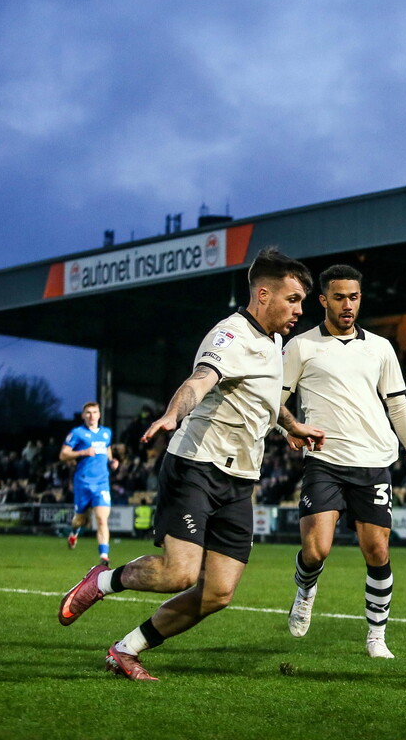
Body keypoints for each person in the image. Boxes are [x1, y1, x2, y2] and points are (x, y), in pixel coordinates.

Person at [57, 248, 325, 681]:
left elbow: (267, 400)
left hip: (240, 481)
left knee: (218, 593)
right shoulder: (230, 336)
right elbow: (199, 380)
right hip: (196, 466)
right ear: (263, 294)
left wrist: (292, 426)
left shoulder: (275, 342)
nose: (300, 309)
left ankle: (126, 650)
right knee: (178, 573)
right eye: (293, 299)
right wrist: (172, 414)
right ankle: (101, 582)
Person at [282, 264, 406, 659]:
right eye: (340, 297)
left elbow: (397, 404)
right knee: (316, 551)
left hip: (373, 460)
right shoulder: (300, 347)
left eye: (354, 297)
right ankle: (305, 589)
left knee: (377, 552)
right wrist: (289, 429)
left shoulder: (380, 347)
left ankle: (376, 636)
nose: (348, 305)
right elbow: (274, 402)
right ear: (323, 300)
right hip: (324, 460)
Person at [60, 402, 120, 564]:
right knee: (80, 519)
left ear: (99, 414)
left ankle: (104, 557)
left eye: (94, 412)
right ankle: (74, 532)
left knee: (101, 519)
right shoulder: (77, 433)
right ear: (83, 415)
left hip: (101, 483)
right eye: (88, 412)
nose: (92, 416)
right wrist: (83, 452)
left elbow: (106, 448)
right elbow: (63, 454)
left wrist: (112, 460)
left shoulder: (106, 433)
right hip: (83, 483)